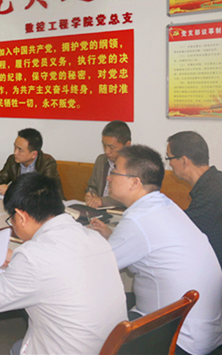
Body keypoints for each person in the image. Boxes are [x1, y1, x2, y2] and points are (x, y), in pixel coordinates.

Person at [0, 173, 126, 355]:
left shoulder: (32, 257)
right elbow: (58, 264)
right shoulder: (94, 238)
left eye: (11, 219)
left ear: (21, 216)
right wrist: (16, 258)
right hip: (112, 348)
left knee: (17, 348)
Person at [90, 145, 222, 355]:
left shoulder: (138, 220)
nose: (108, 177)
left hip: (178, 339)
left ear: (135, 182)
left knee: (88, 328)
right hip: (205, 332)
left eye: (115, 171)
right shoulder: (164, 205)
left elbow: (92, 267)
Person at [167, 131, 222, 269]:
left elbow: (182, 232)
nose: (170, 164)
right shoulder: (215, 181)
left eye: (169, 158)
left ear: (184, 161)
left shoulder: (209, 193)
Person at [0, 128, 64, 200]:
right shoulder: (12, 160)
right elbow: (1, 177)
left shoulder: (47, 163)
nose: (15, 153)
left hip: (49, 205)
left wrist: (12, 190)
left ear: (33, 154)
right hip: (22, 204)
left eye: (20, 150)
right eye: (15, 147)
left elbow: (45, 191)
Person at [85, 120, 131, 208]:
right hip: (98, 210)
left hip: (121, 212)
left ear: (127, 145)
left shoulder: (135, 166)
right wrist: (91, 194)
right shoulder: (101, 160)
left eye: (111, 147)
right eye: (104, 145)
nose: (107, 151)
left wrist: (102, 201)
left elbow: (129, 197)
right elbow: (92, 186)